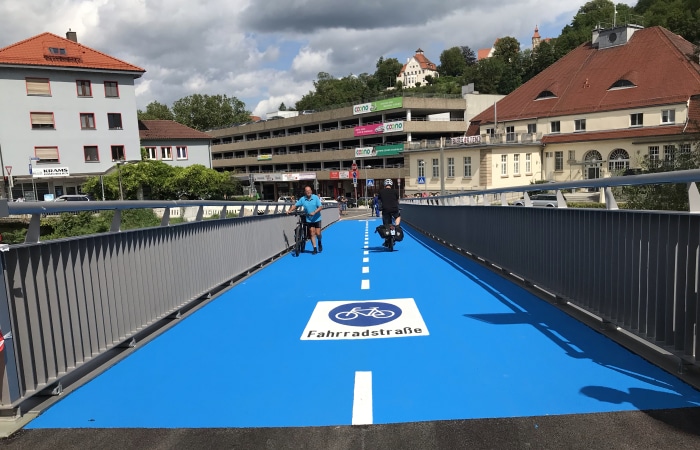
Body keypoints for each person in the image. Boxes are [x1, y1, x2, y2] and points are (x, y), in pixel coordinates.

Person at [286, 185, 324, 254]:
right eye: (306, 191)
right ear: (305, 192)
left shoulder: (315, 197)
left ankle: (319, 242)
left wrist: (314, 212)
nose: (308, 192)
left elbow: (321, 207)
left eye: (309, 191)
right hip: (309, 219)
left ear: (311, 191)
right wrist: (290, 210)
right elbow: (296, 205)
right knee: (312, 233)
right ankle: (314, 248)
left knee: (318, 233)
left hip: (317, 218)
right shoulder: (303, 199)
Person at [377, 179, 401, 247]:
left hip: (385, 209)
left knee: (386, 224)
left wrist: (380, 208)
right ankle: (397, 226)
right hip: (394, 209)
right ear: (391, 185)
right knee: (398, 216)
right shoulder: (395, 191)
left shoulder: (381, 192)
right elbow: (397, 200)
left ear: (385, 185)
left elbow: (379, 200)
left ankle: (387, 240)